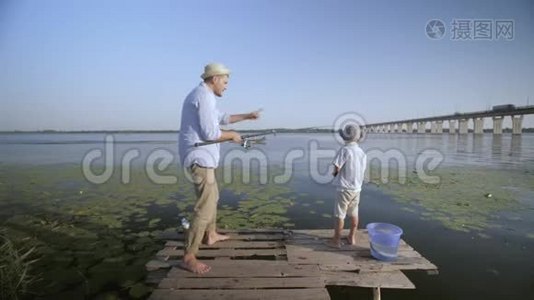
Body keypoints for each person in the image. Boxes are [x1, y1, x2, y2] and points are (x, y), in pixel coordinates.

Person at [178, 63, 260, 273]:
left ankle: (211, 234)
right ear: (214, 78)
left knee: (212, 198)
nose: (226, 86)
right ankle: (188, 256)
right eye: (225, 81)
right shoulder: (203, 96)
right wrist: (232, 135)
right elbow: (210, 134)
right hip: (199, 158)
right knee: (204, 206)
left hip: (204, 158)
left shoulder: (206, 96)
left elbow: (221, 118)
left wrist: (247, 116)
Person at [327, 124, 367, 248]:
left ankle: (336, 240)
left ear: (345, 137)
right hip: (357, 189)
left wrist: (334, 174)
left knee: (340, 214)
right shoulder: (362, 153)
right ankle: (352, 237)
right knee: (354, 213)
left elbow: (337, 166)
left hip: (344, 189)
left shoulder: (345, 150)